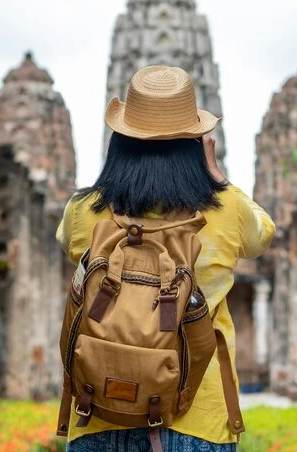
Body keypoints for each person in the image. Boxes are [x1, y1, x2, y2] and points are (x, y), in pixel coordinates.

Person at [56, 65, 276, 452]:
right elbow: (263, 234)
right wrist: (220, 178)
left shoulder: (84, 209)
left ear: (120, 141)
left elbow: (67, 244)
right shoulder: (225, 209)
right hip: (197, 414)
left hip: (97, 410)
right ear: (196, 142)